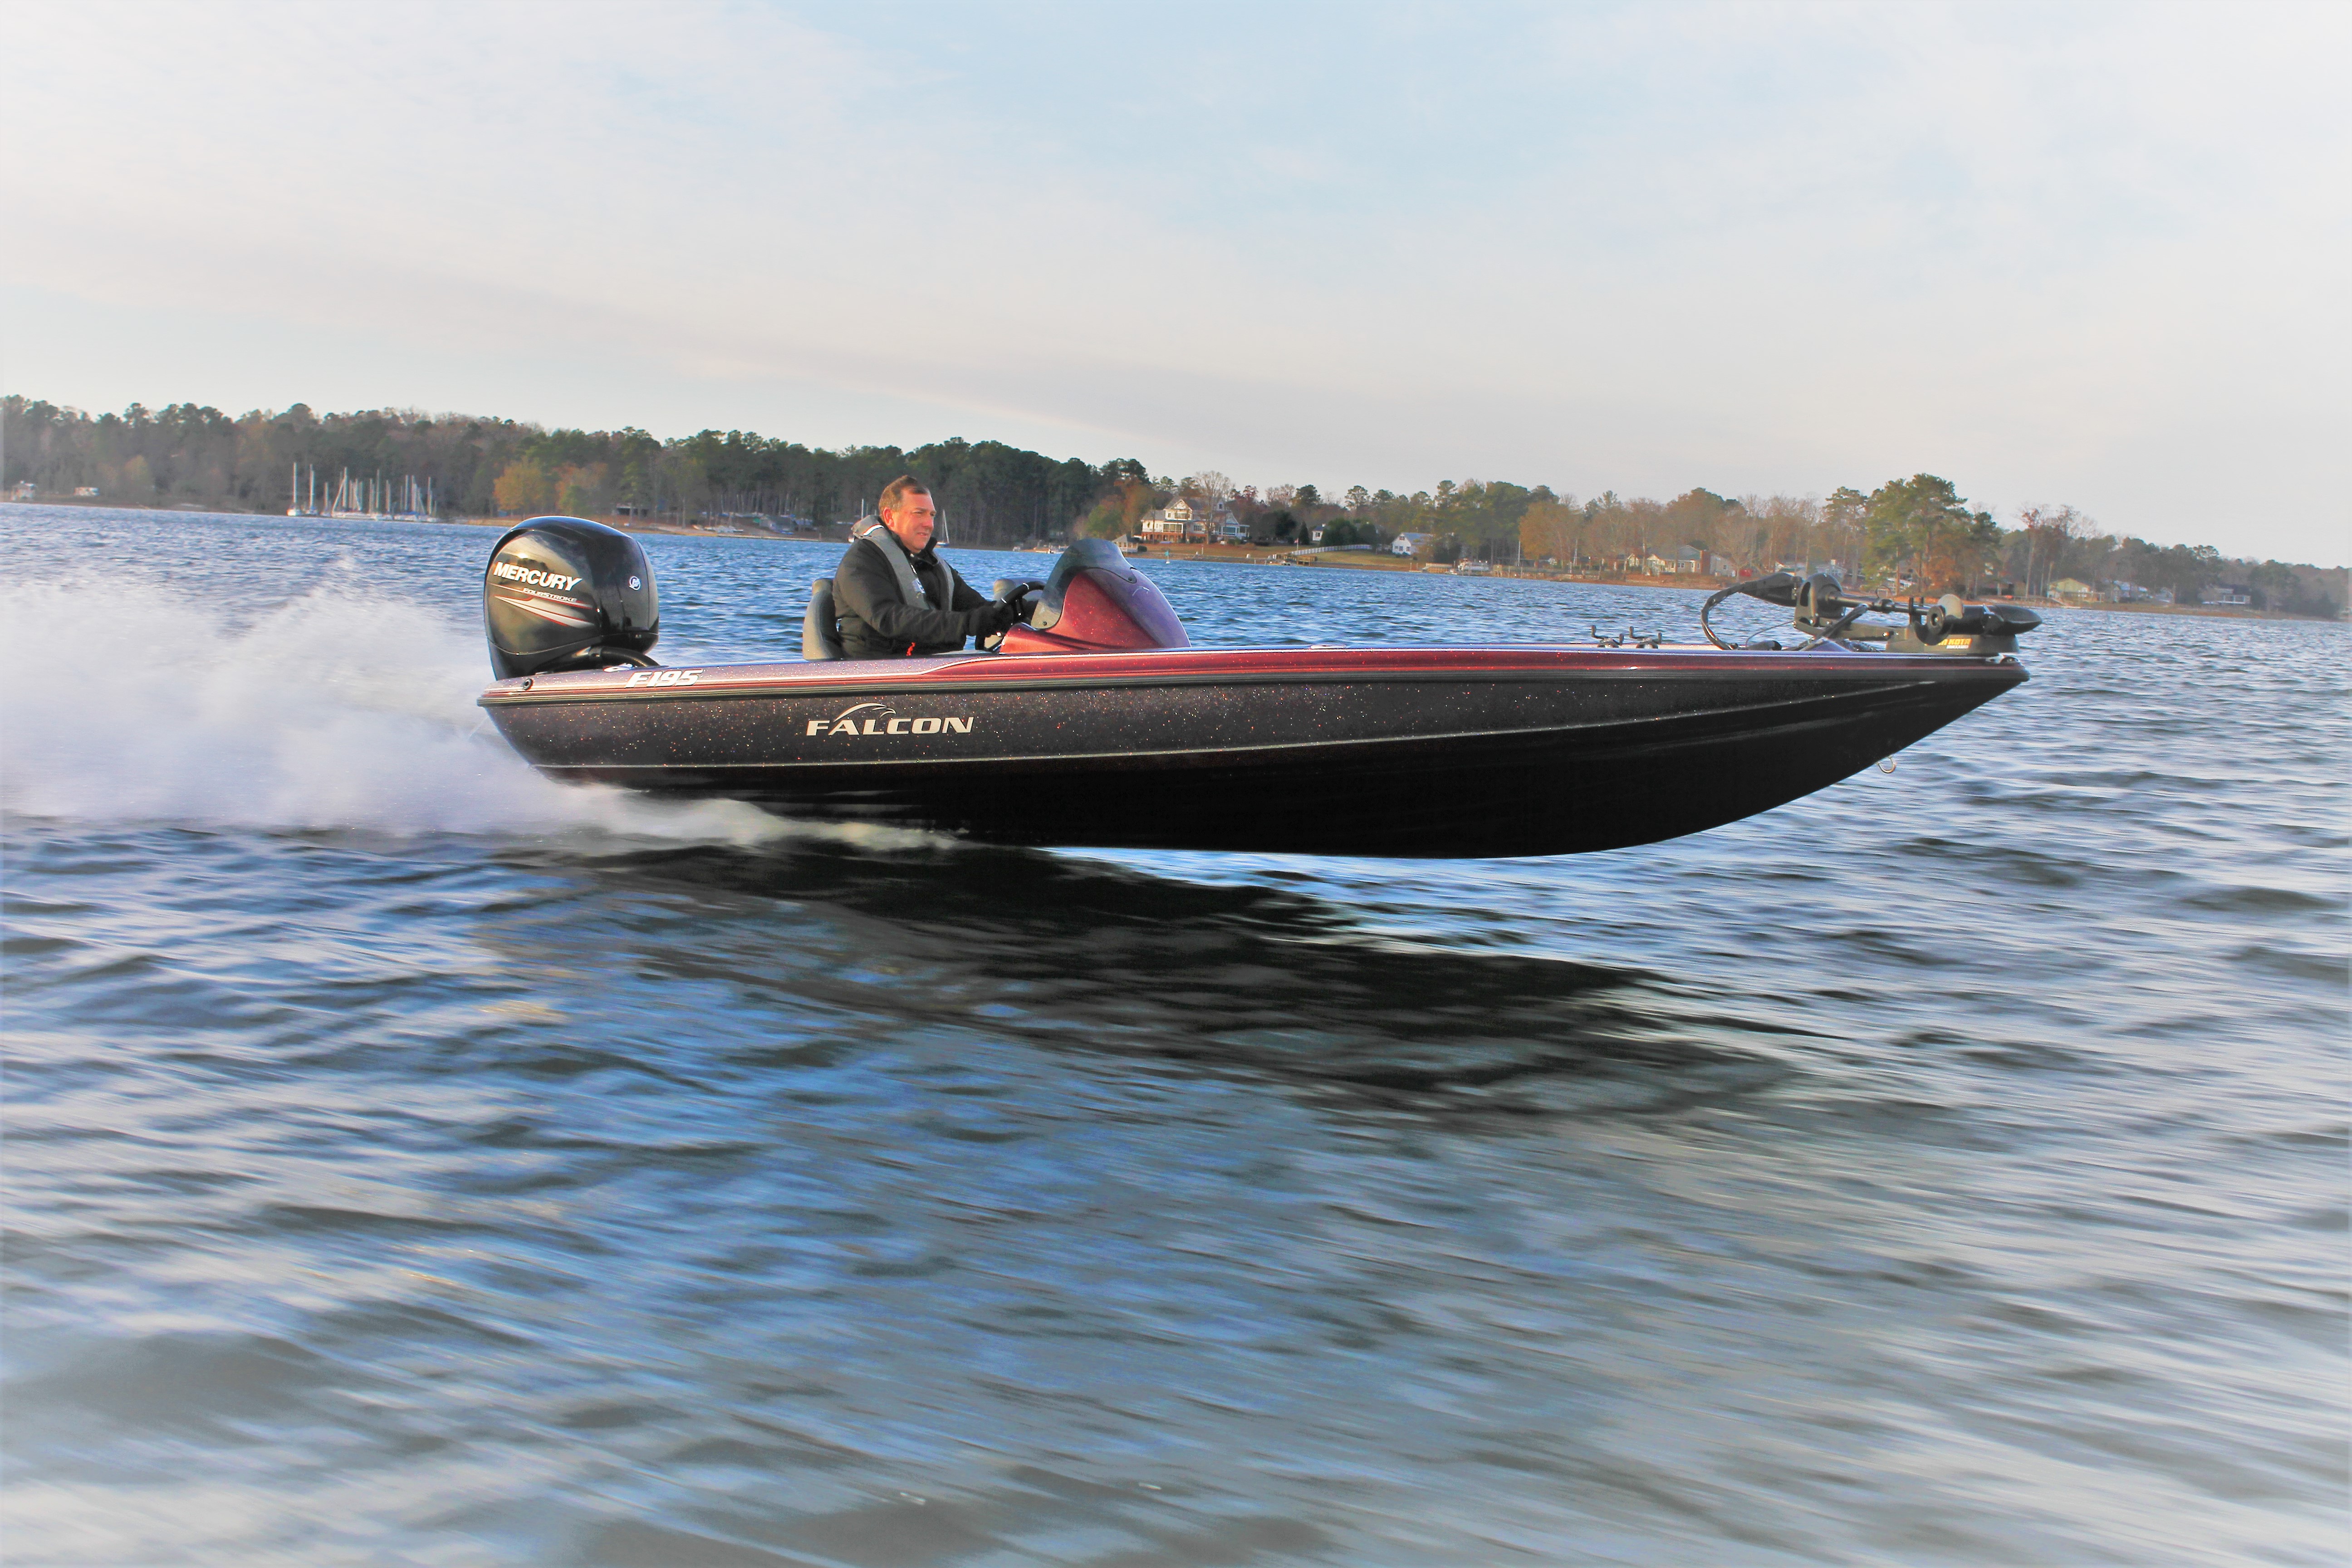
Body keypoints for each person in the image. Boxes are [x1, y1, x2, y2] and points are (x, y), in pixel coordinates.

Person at [832, 476, 1016, 657]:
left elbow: (976, 607)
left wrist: (1018, 612)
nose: (929, 524)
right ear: (890, 517)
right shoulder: (861, 560)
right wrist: (966, 623)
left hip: (928, 667)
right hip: (878, 674)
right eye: (918, 513)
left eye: (932, 515)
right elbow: (888, 618)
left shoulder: (931, 564)